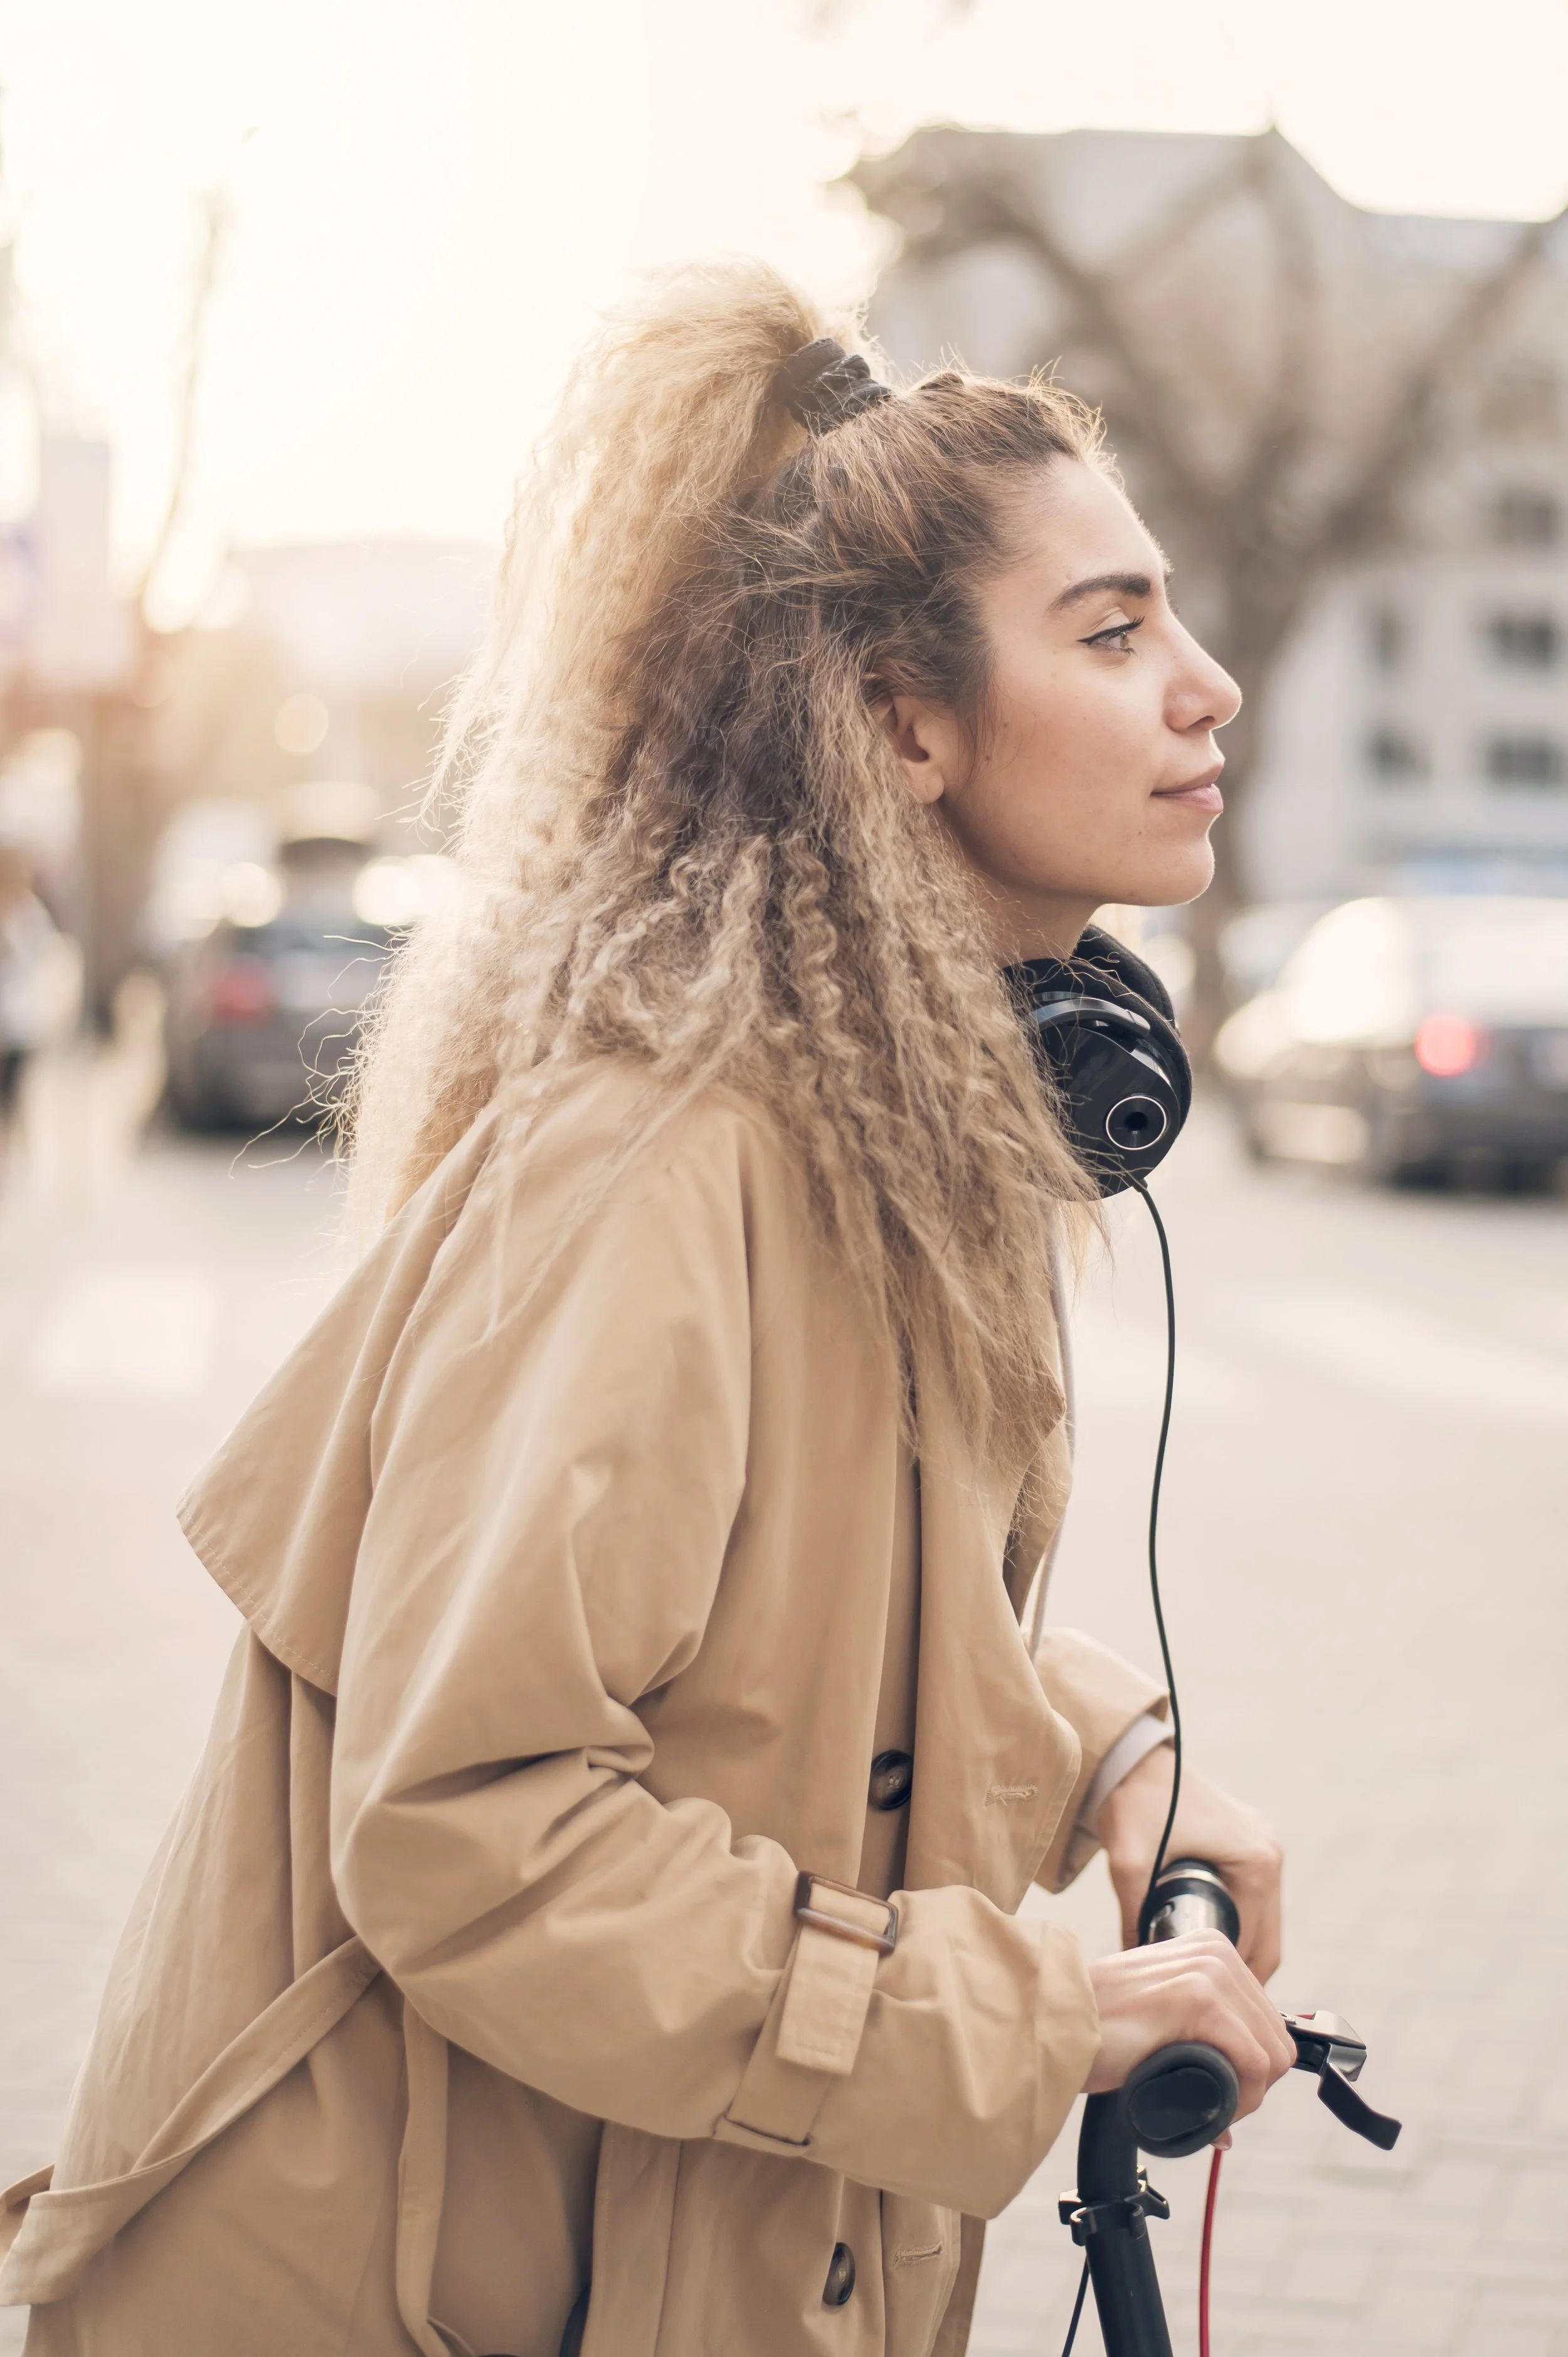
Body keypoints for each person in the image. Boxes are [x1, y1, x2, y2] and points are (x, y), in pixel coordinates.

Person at [0, 263, 1293, 2357]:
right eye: (1114, 629)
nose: (1206, 685)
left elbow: (791, 1617)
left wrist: (1103, 1759)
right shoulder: (662, 1159)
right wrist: (1029, 2007)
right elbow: (467, 1820)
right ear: (897, 720)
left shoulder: (890, 1124)